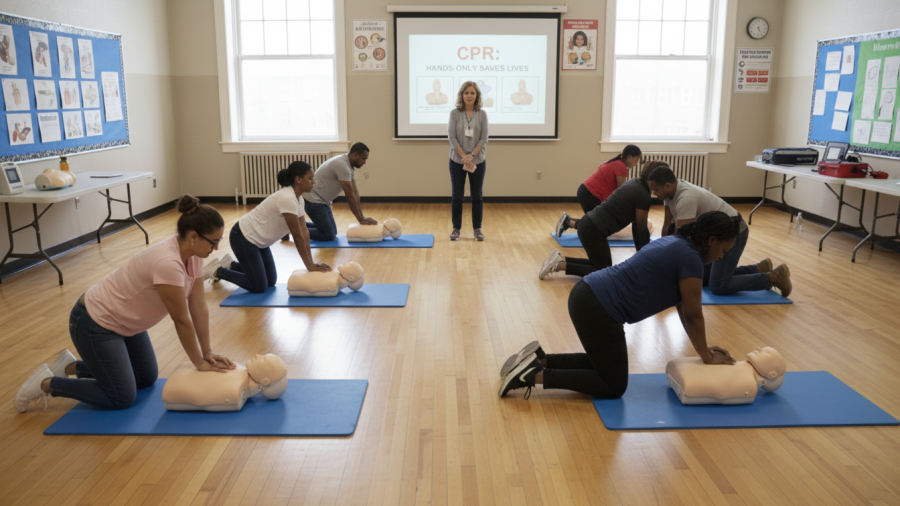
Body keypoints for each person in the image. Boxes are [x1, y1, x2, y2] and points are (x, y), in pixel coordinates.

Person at [14, 196, 237, 413]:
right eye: (214, 242)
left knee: (146, 378)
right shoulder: (167, 263)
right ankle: (46, 383)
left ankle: (69, 367)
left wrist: (207, 352)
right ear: (193, 236)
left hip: (127, 324)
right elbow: (181, 320)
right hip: (94, 323)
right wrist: (198, 362)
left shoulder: (195, 255)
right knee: (120, 396)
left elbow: (197, 307)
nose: (216, 248)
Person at [500, 211, 741, 400]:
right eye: (724, 250)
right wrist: (706, 357)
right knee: (613, 385)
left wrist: (705, 350)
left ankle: (538, 359)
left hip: (588, 295)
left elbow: (684, 308)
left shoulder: (677, 243)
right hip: (600, 307)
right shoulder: (691, 259)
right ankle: (531, 375)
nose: (721, 256)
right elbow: (693, 315)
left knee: (603, 364)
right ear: (711, 240)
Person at [646, 166, 792, 297]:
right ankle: (758, 268)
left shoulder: (686, 198)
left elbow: (685, 241)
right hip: (717, 234)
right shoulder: (668, 194)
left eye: (655, 190)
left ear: (667, 185)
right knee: (702, 277)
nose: (654, 194)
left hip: (733, 233)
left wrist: (670, 268)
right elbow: (666, 226)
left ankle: (775, 277)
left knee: (719, 286)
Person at [214, 161, 330, 294]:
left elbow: (304, 232)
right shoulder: (287, 199)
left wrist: (312, 263)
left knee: (270, 280)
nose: (313, 182)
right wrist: (309, 265)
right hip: (243, 237)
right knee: (259, 286)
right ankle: (218, 271)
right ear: (298, 179)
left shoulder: (299, 199)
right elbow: (297, 236)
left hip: (259, 242)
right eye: (310, 178)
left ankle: (231, 264)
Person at [541, 161, 666, 280]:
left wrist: (641, 253)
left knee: (598, 264)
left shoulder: (635, 183)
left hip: (588, 225)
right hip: (594, 230)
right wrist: (645, 256)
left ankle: (560, 259)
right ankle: (560, 265)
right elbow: (642, 229)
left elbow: (637, 227)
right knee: (605, 272)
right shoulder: (643, 194)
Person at [303, 143, 375, 242]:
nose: (364, 162)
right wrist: (360, 220)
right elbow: (350, 196)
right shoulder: (342, 165)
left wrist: (362, 217)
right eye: (363, 159)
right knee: (329, 235)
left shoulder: (349, 165)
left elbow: (355, 193)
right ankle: (291, 229)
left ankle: (294, 225)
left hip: (322, 201)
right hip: (313, 201)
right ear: (355, 155)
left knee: (332, 231)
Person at [448, 80, 489, 241]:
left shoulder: (482, 114)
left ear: (477, 95)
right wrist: (463, 156)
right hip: (456, 161)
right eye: (466, 93)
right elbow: (452, 137)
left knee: (477, 196)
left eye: (472, 93)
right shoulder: (454, 113)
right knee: (457, 196)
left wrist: (471, 156)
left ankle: (477, 229)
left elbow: (484, 138)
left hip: (477, 161)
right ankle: (456, 228)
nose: (469, 96)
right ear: (462, 95)